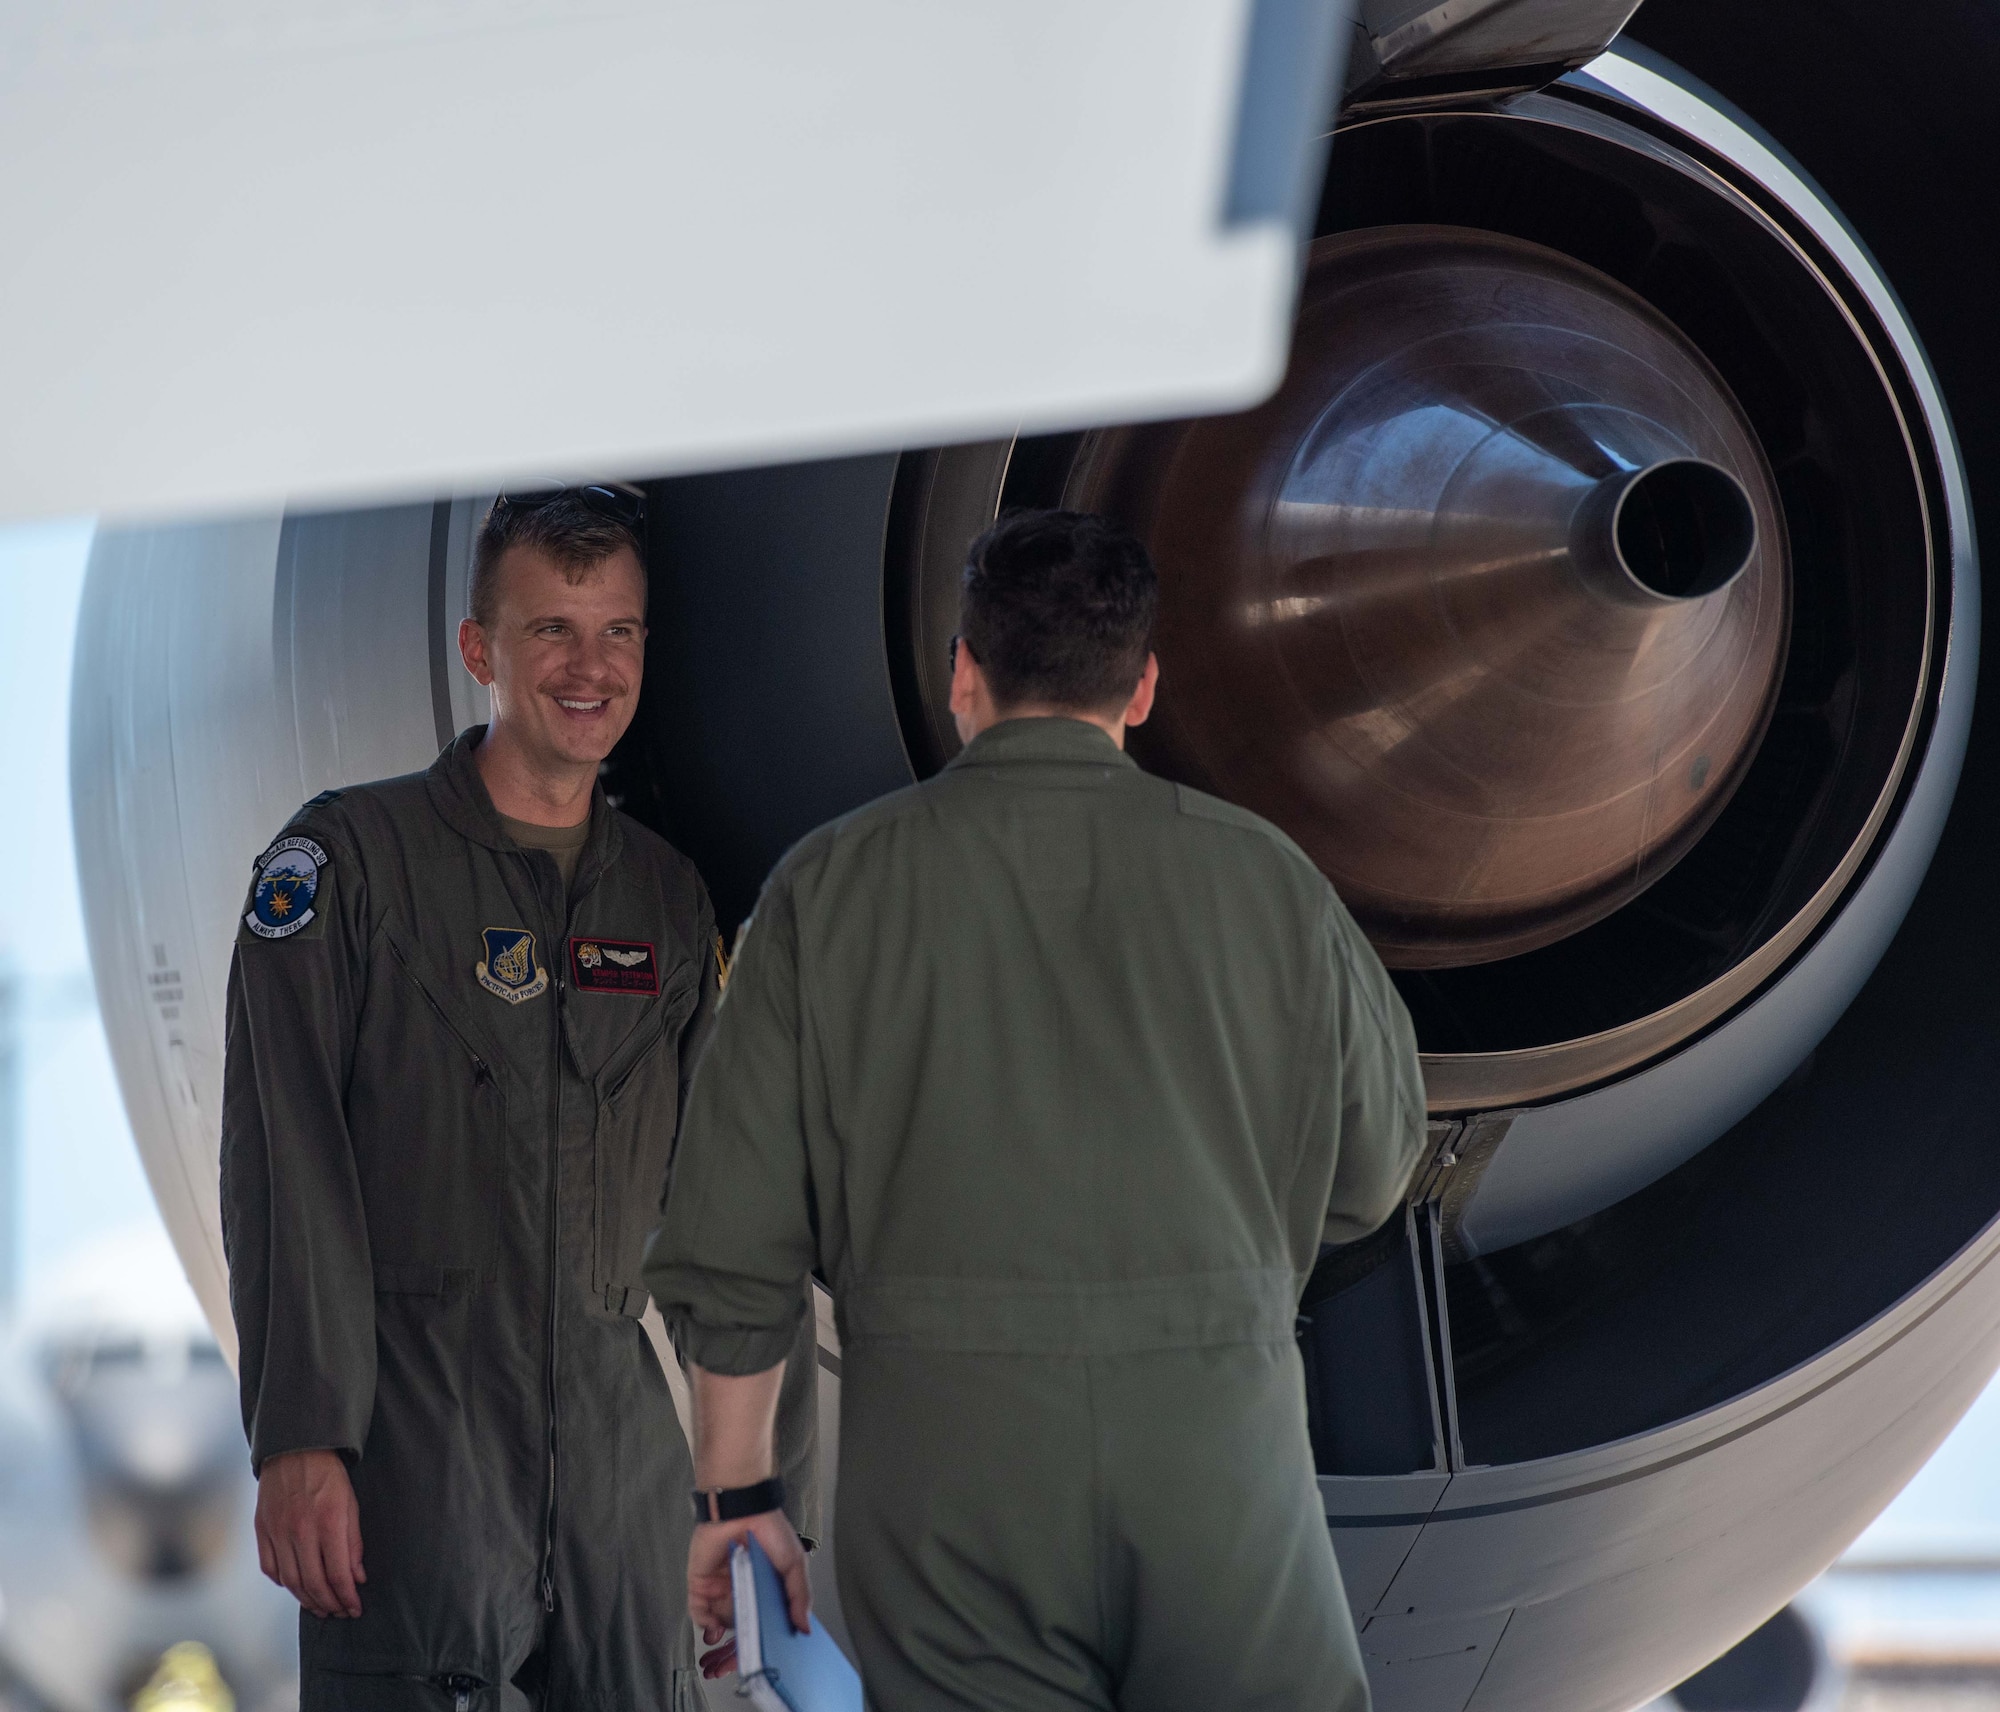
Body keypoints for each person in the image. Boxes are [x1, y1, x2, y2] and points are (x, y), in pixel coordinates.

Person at [645, 508, 1429, 1711]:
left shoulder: (829, 885)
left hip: (948, 1472)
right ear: (1144, 685)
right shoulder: (1267, 877)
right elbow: (1375, 1167)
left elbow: (733, 1236)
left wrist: (738, 1499)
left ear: (963, 670)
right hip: (1214, 1445)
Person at [219, 485, 818, 1712]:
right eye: (552, 629)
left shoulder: (663, 897)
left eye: (620, 632)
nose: (590, 668)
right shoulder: (349, 867)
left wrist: (751, 1487)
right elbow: (284, 1164)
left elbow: (728, 1215)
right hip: (415, 1463)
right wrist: (299, 1440)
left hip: (619, 1484)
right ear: (479, 650)